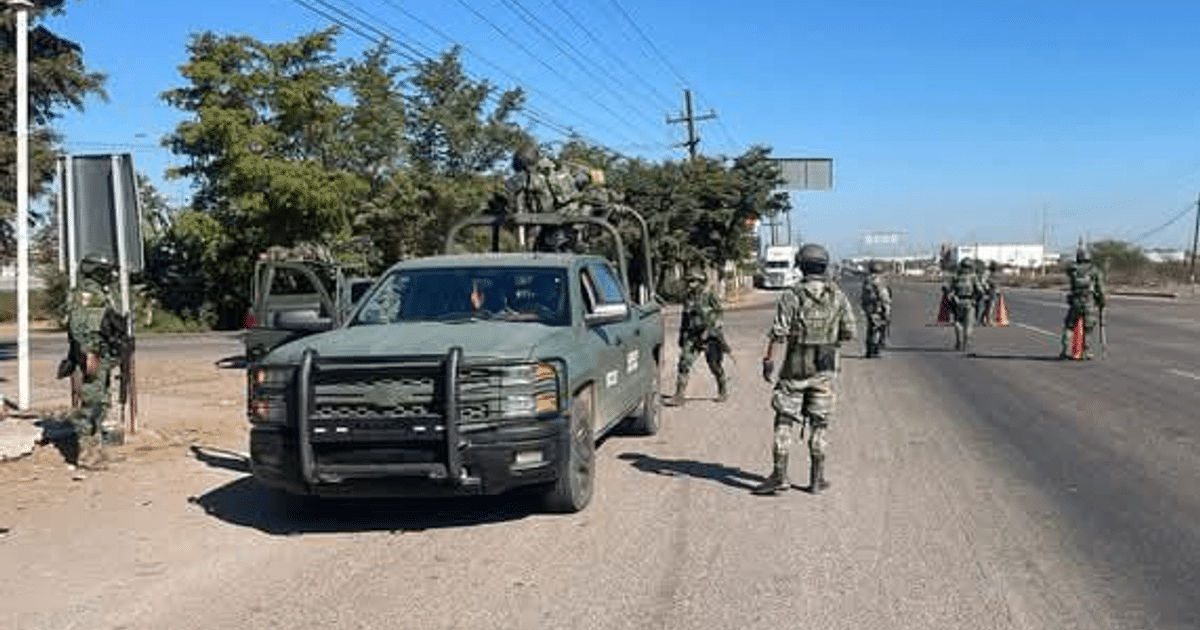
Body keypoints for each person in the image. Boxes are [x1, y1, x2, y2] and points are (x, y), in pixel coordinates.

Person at [754, 244, 855, 495]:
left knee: (784, 421)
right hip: (825, 371)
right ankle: (817, 480)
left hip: (794, 371)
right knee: (819, 424)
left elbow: (778, 332)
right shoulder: (837, 296)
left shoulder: (792, 295)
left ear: (800, 265)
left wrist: (768, 361)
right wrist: (830, 340)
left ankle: (779, 476)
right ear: (825, 265)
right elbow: (849, 331)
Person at [59, 255, 122, 469]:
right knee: (92, 403)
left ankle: (95, 450)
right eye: (104, 270)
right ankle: (86, 454)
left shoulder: (98, 292)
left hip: (100, 353)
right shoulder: (87, 293)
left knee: (102, 401)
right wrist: (89, 353)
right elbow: (79, 327)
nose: (109, 275)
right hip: (92, 354)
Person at [666, 270, 728, 406]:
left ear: (701, 282)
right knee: (684, 363)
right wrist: (681, 335)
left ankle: (722, 389)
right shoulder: (688, 297)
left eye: (693, 281)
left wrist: (711, 329)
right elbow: (685, 317)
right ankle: (679, 395)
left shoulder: (710, 295)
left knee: (714, 365)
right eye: (689, 281)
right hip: (692, 336)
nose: (690, 284)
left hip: (710, 336)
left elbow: (720, 314)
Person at [1060, 246, 1106, 360]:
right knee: (1088, 328)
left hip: (1075, 301)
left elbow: (1068, 269)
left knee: (1069, 326)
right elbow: (1100, 289)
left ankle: (1064, 351)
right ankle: (1084, 352)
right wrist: (1102, 301)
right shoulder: (1094, 270)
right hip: (1088, 301)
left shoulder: (1072, 270)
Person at [943, 257, 982, 353]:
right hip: (969, 302)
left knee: (958, 322)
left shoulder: (956, 277)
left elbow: (947, 289)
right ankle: (966, 341)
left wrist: (951, 296)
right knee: (968, 323)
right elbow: (980, 290)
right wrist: (976, 298)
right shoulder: (973, 277)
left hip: (958, 302)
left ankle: (959, 341)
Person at [860, 259, 892, 358]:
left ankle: (869, 350)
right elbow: (884, 296)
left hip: (869, 308)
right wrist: (886, 309)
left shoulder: (867, 280)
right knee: (879, 328)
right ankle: (875, 349)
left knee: (870, 328)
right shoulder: (879, 281)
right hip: (878, 308)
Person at [976, 259, 996, 326]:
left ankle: (986, 320)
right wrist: (987, 288)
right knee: (985, 306)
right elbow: (983, 281)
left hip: (988, 291)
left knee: (989, 306)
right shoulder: (987, 272)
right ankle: (984, 320)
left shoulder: (989, 272)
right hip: (986, 291)